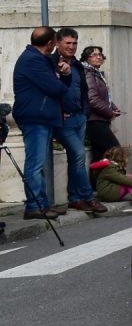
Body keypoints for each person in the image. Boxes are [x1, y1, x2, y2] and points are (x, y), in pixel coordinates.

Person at [12, 27, 71, 219]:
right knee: (35, 164)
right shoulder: (33, 60)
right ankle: (34, 205)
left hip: (41, 116)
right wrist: (63, 76)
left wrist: (62, 73)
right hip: (35, 117)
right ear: (50, 44)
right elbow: (55, 88)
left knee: (39, 164)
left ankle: (42, 204)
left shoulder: (38, 59)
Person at [53, 28, 107, 214]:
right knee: (78, 156)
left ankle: (75, 198)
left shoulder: (77, 65)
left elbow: (83, 91)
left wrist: (84, 113)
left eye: (74, 43)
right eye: (67, 43)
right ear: (58, 43)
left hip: (80, 116)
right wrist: (58, 111)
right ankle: (88, 197)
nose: (71, 46)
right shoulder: (51, 63)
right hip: (64, 119)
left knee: (74, 159)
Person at [80, 45, 121, 160]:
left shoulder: (96, 73)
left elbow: (104, 96)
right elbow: (92, 99)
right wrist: (109, 112)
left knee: (99, 156)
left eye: (100, 55)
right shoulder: (88, 73)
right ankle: (117, 177)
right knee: (115, 151)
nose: (98, 57)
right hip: (94, 120)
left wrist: (113, 107)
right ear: (86, 58)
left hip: (100, 119)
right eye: (94, 55)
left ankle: (97, 178)